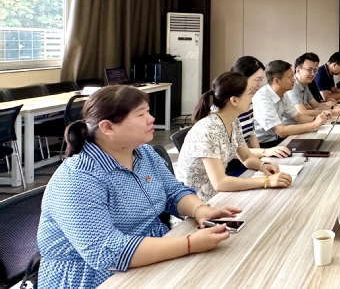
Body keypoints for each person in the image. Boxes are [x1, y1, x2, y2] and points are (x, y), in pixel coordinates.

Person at [37, 86, 239, 289]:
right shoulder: (79, 178)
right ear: (107, 127)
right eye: (141, 114)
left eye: (148, 112)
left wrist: (199, 209)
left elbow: (173, 192)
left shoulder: (144, 153)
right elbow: (108, 253)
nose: (151, 119)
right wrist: (189, 244)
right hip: (95, 278)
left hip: (152, 257)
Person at [176, 71, 293, 202]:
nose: (252, 97)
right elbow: (220, 183)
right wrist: (267, 181)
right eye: (249, 93)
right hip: (197, 202)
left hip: (218, 194)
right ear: (234, 100)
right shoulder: (208, 130)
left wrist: (262, 165)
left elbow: (246, 157)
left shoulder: (233, 121)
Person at [253, 60, 332, 146]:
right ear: (277, 81)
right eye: (290, 77)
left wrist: (318, 119)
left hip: (276, 140)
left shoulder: (283, 93)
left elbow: (298, 118)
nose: (294, 80)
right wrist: (314, 124)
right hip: (263, 145)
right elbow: (281, 131)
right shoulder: (262, 98)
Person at [230, 56, 291, 159]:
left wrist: (262, 161)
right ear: (242, 77)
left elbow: (252, 138)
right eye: (257, 80)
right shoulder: (228, 105)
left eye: (261, 80)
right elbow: (231, 151)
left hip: (248, 157)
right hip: (231, 163)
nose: (259, 85)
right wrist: (264, 153)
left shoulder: (249, 103)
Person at [288, 53, 340, 120]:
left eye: (315, 71)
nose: (313, 74)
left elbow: (316, 106)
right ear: (298, 70)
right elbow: (302, 112)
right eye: (309, 70)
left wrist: (334, 107)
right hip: (293, 125)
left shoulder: (305, 85)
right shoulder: (292, 86)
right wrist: (332, 112)